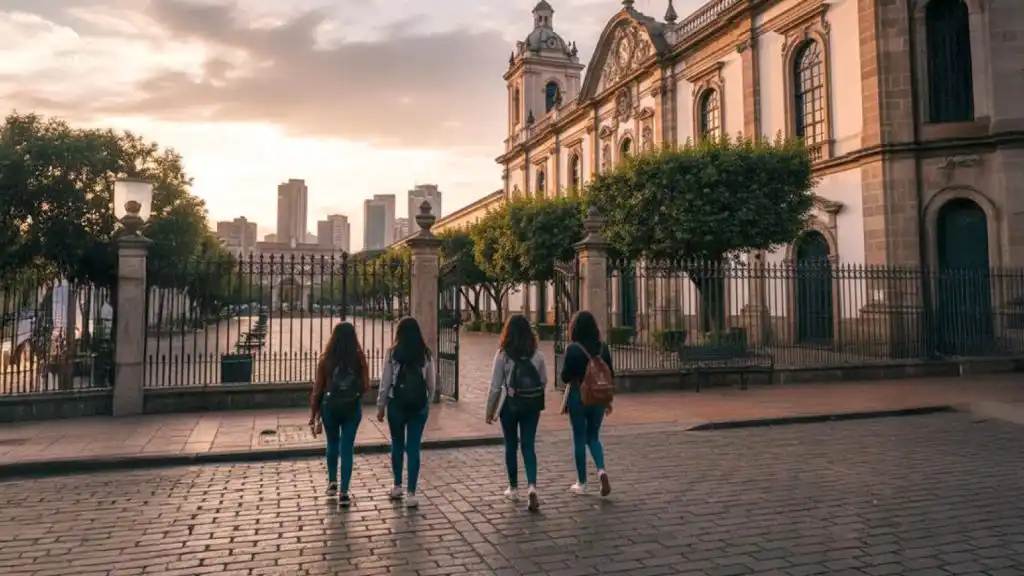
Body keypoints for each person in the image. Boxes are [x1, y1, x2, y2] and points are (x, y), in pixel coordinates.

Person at [485, 314, 547, 512]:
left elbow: (495, 386)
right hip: (531, 406)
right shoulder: (537, 355)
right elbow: (543, 380)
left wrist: (490, 411)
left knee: (511, 445)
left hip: (509, 406)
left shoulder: (503, 354)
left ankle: (513, 488)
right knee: (528, 445)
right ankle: (532, 487)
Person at [310, 322, 370, 507]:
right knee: (347, 448)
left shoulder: (326, 358)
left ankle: (332, 483)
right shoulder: (359, 358)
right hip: (352, 407)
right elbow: (366, 385)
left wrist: (314, 413)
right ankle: (344, 492)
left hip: (331, 407)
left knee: (332, 444)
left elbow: (317, 390)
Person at [378, 316, 436, 508]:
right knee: (413, 448)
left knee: (396, 445)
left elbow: (385, 383)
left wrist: (381, 405)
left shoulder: (393, 353)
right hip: (418, 406)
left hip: (396, 404)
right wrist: (426, 402)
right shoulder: (425, 354)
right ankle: (411, 493)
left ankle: (397, 486)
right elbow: (431, 384)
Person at [559, 310, 614, 497]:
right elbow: (610, 374)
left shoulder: (573, 349)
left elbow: (565, 376)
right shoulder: (603, 348)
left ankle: (581, 482)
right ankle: (601, 471)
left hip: (578, 397)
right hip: (598, 398)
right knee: (594, 437)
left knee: (579, 438)